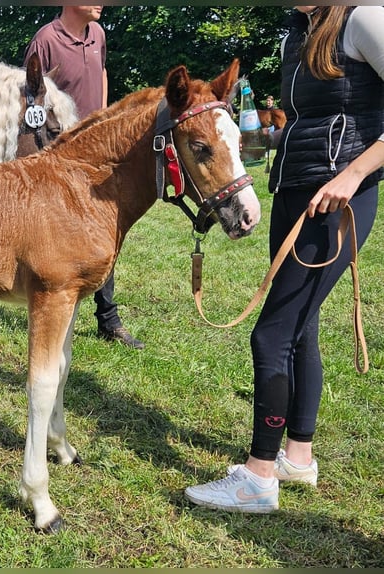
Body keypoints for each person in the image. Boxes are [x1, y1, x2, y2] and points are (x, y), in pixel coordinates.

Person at [185, 5, 384, 513]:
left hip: (337, 200)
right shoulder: (298, 33)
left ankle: (258, 477)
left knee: (271, 333)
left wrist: (354, 175)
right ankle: (298, 456)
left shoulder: (363, 19)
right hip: (295, 191)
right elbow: (309, 119)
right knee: (301, 327)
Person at [24, 5, 145, 350]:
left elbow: (102, 73)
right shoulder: (45, 40)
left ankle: (108, 319)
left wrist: (102, 119)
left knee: (105, 230)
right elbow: (32, 97)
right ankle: (51, 295)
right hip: (64, 156)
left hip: (102, 150)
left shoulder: (98, 34)